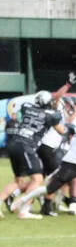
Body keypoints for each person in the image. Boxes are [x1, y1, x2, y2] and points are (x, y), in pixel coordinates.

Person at [0, 88, 68, 219]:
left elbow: (25, 110)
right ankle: (24, 210)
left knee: (19, 180)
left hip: (14, 144)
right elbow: (62, 130)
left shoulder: (27, 107)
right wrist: (58, 113)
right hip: (26, 145)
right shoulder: (51, 115)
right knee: (38, 179)